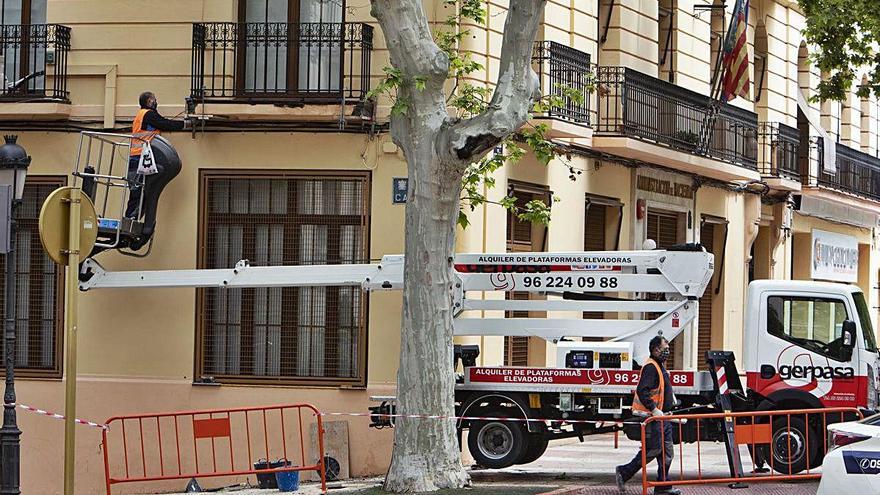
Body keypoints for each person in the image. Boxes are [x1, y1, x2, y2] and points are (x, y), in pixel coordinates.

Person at [615, 336, 680, 495]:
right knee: (654, 449)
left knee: (667, 452)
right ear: (656, 349)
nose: (667, 350)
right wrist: (654, 409)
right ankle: (624, 472)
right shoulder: (651, 367)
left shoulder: (659, 366)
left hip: (663, 417)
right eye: (665, 347)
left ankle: (663, 486)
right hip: (654, 418)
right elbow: (642, 391)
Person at [126, 91, 190, 218]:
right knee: (139, 190)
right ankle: (131, 218)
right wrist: (185, 124)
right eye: (154, 100)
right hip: (141, 157)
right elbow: (164, 123)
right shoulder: (148, 114)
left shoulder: (141, 115)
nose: (156, 102)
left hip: (137, 156)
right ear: (149, 101)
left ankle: (132, 218)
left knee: (138, 191)